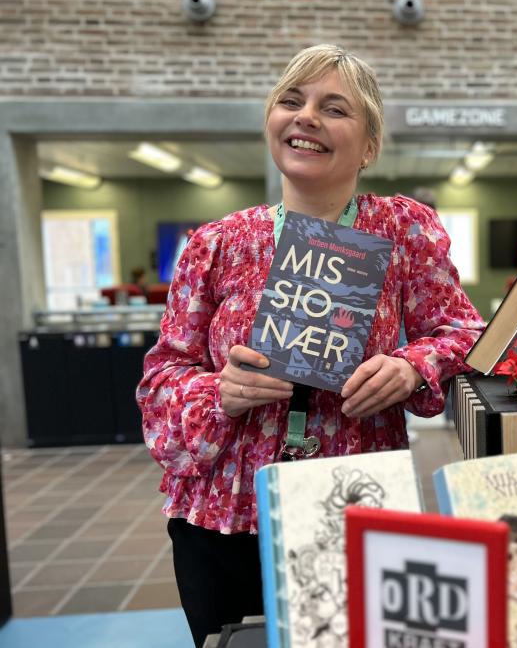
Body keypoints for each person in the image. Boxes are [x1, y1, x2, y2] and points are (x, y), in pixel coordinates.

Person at [136, 44, 484, 647]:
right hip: (225, 515)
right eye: (291, 101)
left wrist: (409, 366)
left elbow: (463, 333)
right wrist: (219, 391)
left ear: (369, 146)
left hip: (352, 500)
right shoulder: (216, 244)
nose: (306, 117)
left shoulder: (402, 230)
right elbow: (162, 379)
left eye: (334, 108)